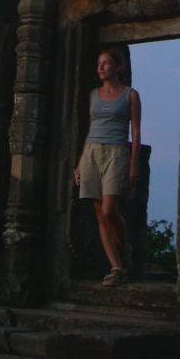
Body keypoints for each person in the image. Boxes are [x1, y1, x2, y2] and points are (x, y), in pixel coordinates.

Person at [73, 48, 141, 287]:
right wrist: (81, 162)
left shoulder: (130, 95)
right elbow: (90, 129)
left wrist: (134, 164)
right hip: (92, 152)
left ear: (118, 67)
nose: (100, 67)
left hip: (117, 151)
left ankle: (125, 249)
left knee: (110, 210)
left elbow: (135, 131)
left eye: (106, 63)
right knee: (99, 214)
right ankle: (116, 267)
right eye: (99, 63)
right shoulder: (93, 95)